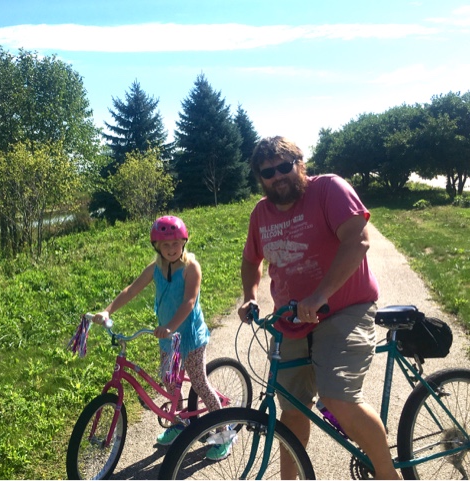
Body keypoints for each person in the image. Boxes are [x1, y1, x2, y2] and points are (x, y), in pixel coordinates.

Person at [238, 136, 400, 479]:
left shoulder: (328, 189)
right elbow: (251, 261)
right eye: (268, 172)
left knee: (338, 397)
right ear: (260, 178)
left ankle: (390, 476)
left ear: (300, 164)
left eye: (284, 166)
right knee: (292, 410)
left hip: (344, 309)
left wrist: (320, 295)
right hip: (291, 321)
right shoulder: (260, 214)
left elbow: (358, 240)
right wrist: (249, 296)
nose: (278, 176)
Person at [93, 215, 232, 461]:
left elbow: (189, 302)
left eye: (175, 243)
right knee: (169, 381)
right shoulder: (155, 268)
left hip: (189, 337)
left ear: (184, 242)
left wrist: (169, 326)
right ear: (157, 246)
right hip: (168, 337)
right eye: (165, 244)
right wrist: (107, 311)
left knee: (199, 383)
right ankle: (179, 424)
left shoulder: (191, 268)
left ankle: (224, 433)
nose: (171, 248)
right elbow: (131, 290)